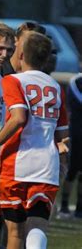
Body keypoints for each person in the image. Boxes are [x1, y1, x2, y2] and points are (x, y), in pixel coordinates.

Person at [0, 31, 69, 249]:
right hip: (46, 164)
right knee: (37, 226)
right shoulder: (55, 86)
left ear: (22, 55)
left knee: (15, 233)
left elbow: (18, 118)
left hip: (16, 163)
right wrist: (62, 155)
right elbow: (63, 136)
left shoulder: (13, 81)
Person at [59, 74, 82, 218]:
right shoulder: (76, 81)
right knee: (72, 170)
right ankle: (65, 205)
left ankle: (80, 207)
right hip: (76, 133)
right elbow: (78, 101)